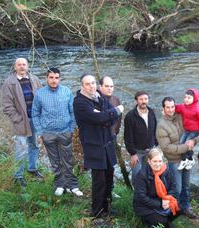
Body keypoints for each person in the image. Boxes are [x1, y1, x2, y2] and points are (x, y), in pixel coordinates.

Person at [73, 74, 124, 217]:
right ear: (82, 86)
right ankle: (97, 212)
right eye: (88, 84)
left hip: (107, 145)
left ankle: (107, 208)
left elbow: (107, 119)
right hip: (94, 146)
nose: (92, 86)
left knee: (109, 178)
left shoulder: (99, 97)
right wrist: (114, 111)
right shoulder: (80, 103)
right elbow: (102, 117)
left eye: (93, 83)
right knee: (99, 181)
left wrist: (105, 116)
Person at [32, 67, 82, 197]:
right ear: (46, 78)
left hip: (65, 131)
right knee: (55, 161)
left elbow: (72, 111)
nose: (54, 80)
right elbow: (35, 113)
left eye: (56, 77)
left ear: (59, 78)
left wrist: (71, 129)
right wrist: (40, 131)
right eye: (51, 77)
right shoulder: (40, 94)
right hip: (48, 133)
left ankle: (72, 185)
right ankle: (60, 184)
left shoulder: (66, 91)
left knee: (68, 160)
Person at [1, 57, 43, 187]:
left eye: (24, 64)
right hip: (21, 121)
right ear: (15, 67)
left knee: (34, 145)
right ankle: (18, 176)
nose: (21, 66)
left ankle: (32, 169)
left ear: (27, 66)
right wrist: (17, 118)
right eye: (19, 64)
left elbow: (41, 97)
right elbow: (6, 105)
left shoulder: (34, 79)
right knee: (21, 148)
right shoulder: (9, 83)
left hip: (35, 119)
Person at [156, 97, 198, 218]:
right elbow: (166, 148)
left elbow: (194, 132)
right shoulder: (161, 126)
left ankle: (185, 208)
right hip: (174, 161)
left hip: (187, 159)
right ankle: (172, 211)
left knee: (186, 186)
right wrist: (186, 147)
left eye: (172, 107)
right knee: (177, 189)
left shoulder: (181, 117)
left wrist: (194, 141)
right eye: (167, 107)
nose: (170, 109)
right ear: (163, 108)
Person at [133, 148, 180, 228]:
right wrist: (160, 203)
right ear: (149, 161)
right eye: (154, 161)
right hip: (145, 207)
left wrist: (167, 200)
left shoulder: (166, 171)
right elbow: (142, 198)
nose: (158, 164)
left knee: (179, 207)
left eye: (160, 161)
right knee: (162, 221)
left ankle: (165, 221)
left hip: (163, 201)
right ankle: (154, 222)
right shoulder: (142, 175)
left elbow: (174, 187)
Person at [124, 91, 157, 180]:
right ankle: (137, 193)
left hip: (151, 149)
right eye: (141, 99)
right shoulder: (130, 116)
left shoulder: (151, 112)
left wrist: (155, 144)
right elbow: (128, 137)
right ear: (136, 101)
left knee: (151, 174)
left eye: (145, 99)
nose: (144, 101)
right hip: (137, 151)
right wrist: (132, 153)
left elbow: (155, 129)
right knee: (137, 175)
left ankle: (148, 193)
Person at [174, 88, 199, 170]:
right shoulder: (183, 106)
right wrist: (168, 108)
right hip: (186, 129)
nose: (186, 99)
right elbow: (176, 108)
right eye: (185, 97)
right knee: (181, 142)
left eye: (189, 98)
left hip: (195, 131)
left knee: (187, 144)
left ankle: (184, 160)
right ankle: (190, 159)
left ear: (194, 98)